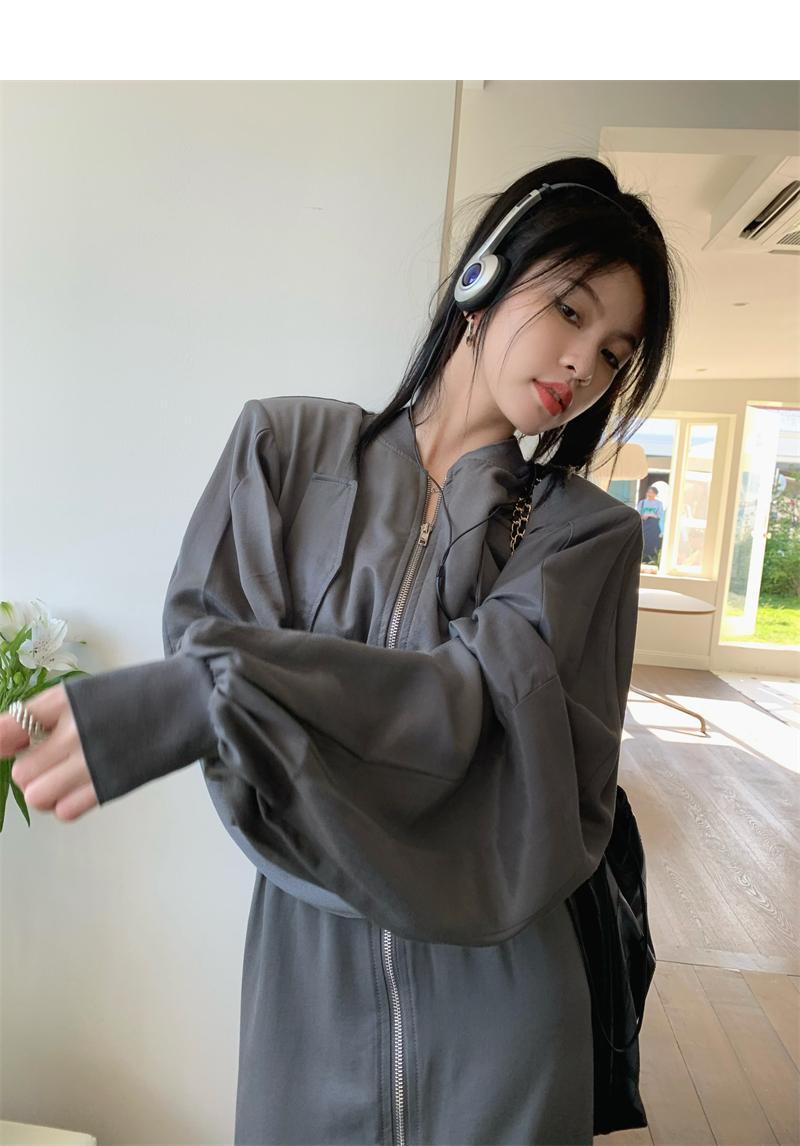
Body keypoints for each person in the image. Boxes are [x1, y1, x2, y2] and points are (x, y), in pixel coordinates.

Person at [1, 155, 679, 1145]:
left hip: (501, 995)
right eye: (569, 311)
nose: (582, 366)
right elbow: (211, 651)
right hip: (306, 979)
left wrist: (216, 693)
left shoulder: (583, 537)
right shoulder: (281, 453)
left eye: (613, 353)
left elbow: (467, 708)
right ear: (483, 277)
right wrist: (210, 692)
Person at [637, 484, 666, 562]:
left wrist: (651, 515)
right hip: (644, 524)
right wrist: (643, 516)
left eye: (652, 492)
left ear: (655, 494)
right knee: (643, 540)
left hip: (653, 525)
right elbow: (638, 514)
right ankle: (642, 558)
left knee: (652, 541)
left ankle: (651, 559)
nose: (649, 494)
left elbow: (660, 515)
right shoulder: (642, 502)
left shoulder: (659, 503)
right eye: (648, 492)